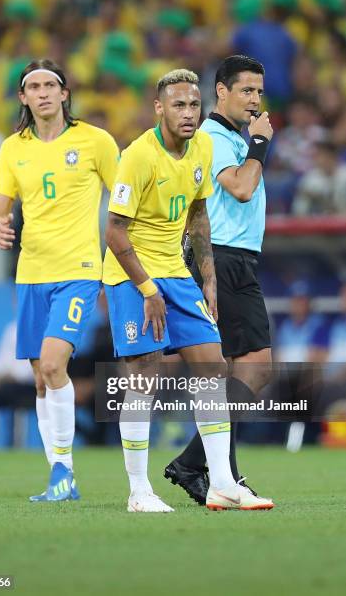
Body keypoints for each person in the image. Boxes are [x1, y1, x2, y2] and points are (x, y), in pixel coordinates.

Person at [103, 68, 273, 512]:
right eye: (178, 105)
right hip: (130, 273)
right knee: (144, 378)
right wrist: (146, 289)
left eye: (193, 105)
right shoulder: (137, 156)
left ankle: (221, 483)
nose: (188, 113)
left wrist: (209, 278)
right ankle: (139, 492)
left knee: (214, 366)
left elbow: (199, 214)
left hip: (177, 273)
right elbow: (115, 232)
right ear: (159, 108)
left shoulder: (201, 146)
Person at [0, 59, 119, 501]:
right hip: (30, 275)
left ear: (65, 93)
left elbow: (125, 200)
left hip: (78, 272)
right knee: (40, 380)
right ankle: (62, 477)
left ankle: (62, 470)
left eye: (51, 85)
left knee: (52, 365)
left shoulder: (95, 141)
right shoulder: (12, 149)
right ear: (23, 97)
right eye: (33, 86)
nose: (43, 92)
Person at [165, 55, 274, 507]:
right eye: (246, 90)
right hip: (224, 259)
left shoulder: (230, 136)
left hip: (237, 260)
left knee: (232, 374)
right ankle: (203, 467)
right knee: (255, 370)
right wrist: (262, 144)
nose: (254, 101)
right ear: (222, 92)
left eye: (259, 92)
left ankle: (209, 469)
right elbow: (242, 187)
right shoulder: (213, 137)